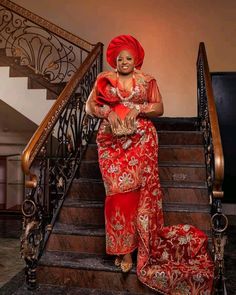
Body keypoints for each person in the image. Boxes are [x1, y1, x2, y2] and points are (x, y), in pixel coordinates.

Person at [86, 35, 214, 294]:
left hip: (141, 141)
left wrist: (138, 108)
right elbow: (90, 106)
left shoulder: (147, 80)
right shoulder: (104, 80)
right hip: (111, 143)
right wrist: (108, 112)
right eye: (120, 58)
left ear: (136, 60)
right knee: (116, 196)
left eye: (128, 58)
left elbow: (159, 107)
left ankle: (131, 252)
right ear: (114, 60)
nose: (124, 61)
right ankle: (121, 248)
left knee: (136, 196)